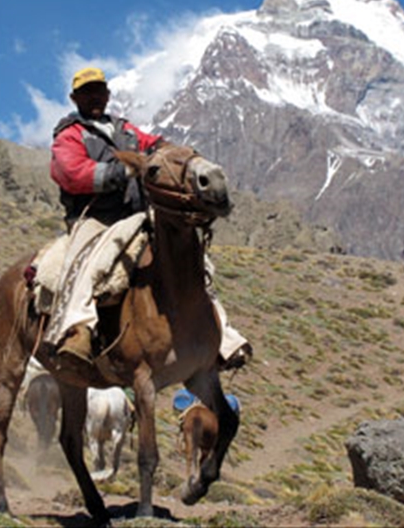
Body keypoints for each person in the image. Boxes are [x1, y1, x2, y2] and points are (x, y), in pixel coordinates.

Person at [47, 67, 251, 371]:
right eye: (87, 91)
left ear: (108, 94)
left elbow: (152, 143)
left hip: (137, 213)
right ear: (74, 97)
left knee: (195, 263)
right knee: (88, 261)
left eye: (99, 90)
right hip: (97, 217)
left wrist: (171, 155)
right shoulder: (70, 134)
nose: (95, 96)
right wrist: (119, 172)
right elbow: (71, 173)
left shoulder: (126, 130)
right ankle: (78, 330)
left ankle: (222, 336)